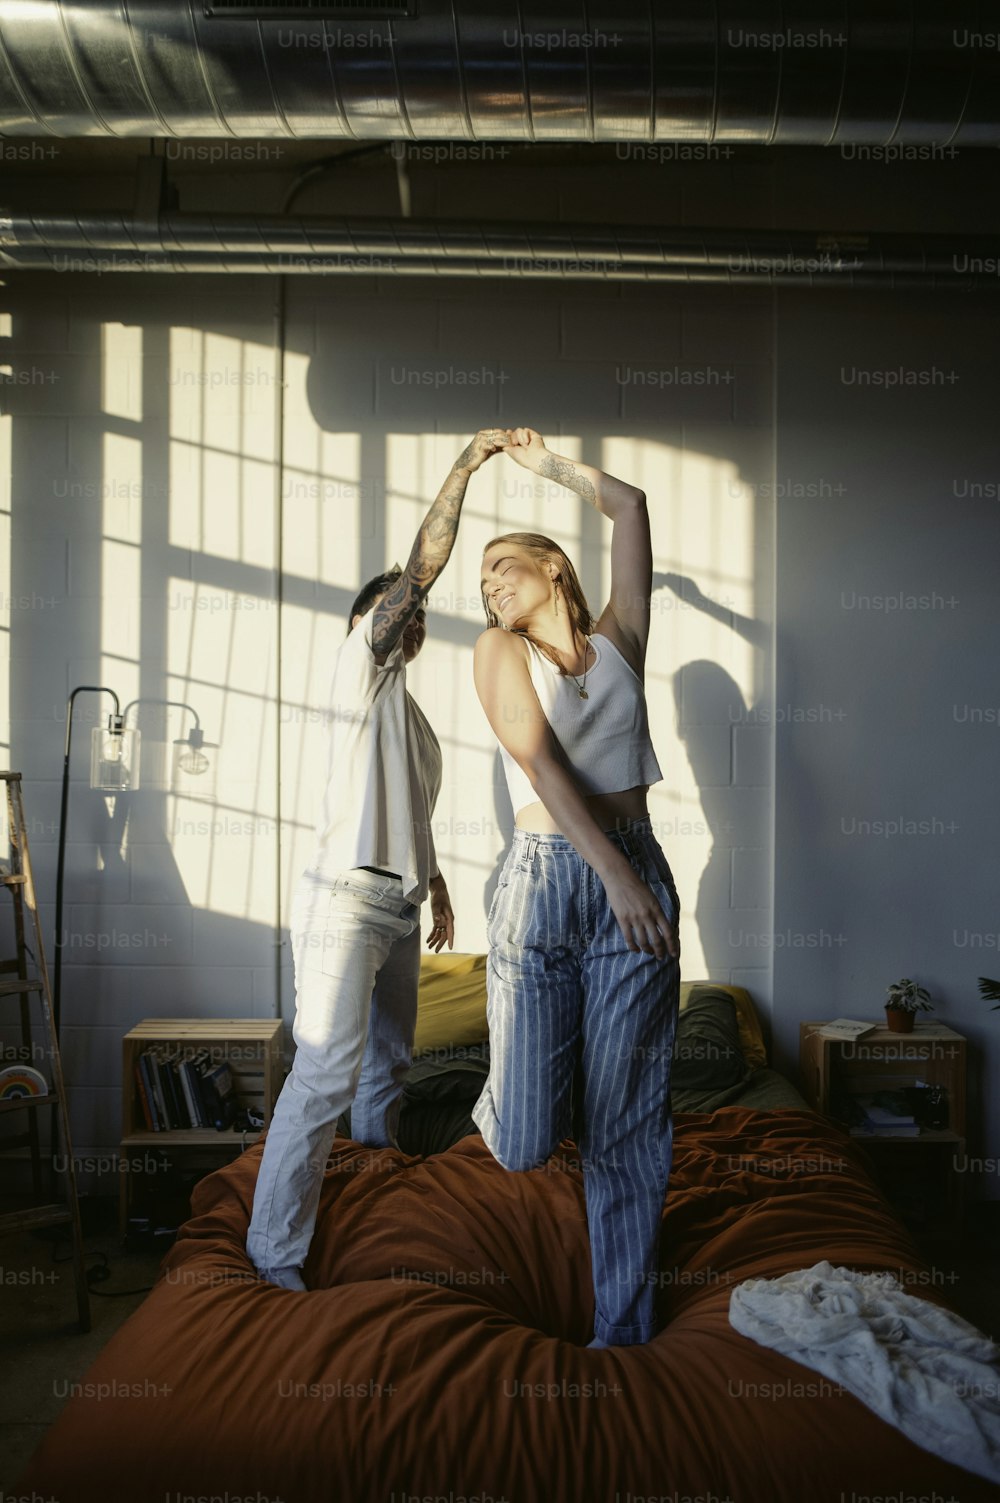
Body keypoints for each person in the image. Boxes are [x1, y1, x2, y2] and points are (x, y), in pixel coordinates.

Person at [247, 427, 510, 1290]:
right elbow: (423, 567)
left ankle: (367, 1187)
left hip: (395, 905)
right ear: (375, 618)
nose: (416, 618)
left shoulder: (414, 721)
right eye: (403, 607)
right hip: (343, 901)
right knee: (325, 1070)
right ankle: (274, 1252)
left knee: (388, 1064)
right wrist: (466, 466)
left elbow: (412, 811)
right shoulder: (354, 669)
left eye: (418, 616)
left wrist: (435, 890)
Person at [470, 426, 682, 1348]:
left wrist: (543, 465)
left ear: (555, 565)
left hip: (635, 869)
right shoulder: (494, 651)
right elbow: (545, 768)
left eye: (504, 567)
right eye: (481, 582)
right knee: (522, 1137)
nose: (491, 585)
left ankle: (621, 1331)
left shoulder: (622, 637)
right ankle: (500, 1099)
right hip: (550, 878)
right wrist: (618, 878)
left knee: (628, 1115)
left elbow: (630, 507)